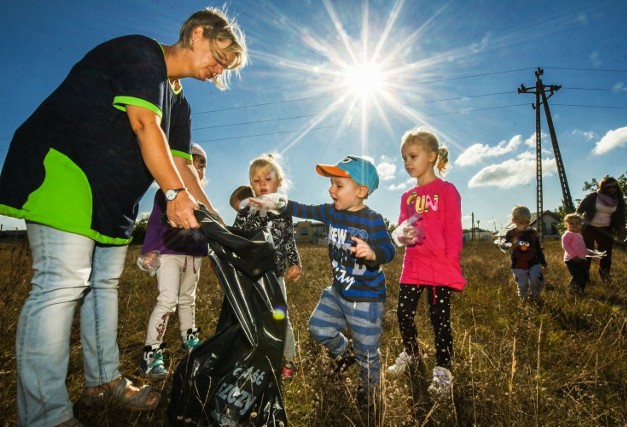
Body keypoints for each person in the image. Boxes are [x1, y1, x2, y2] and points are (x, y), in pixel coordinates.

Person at [0, 8, 247, 426]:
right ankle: (44, 415)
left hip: (112, 199)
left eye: (225, 68)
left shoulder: (181, 103)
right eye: (219, 58)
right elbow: (144, 125)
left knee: (103, 287)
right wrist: (173, 194)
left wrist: (215, 221)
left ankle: (101, 384)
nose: (217, 71)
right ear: (198, 33)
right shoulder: (141, 54)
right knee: (60, 286)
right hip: (64, 171)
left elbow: (184, 165)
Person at [255, 155, 395, 406]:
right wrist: (278, 201)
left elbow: (389, 249)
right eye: (331, 184)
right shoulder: (331, 212)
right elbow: (303, 209)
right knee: (318, 328)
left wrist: (374, 254)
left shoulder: (373, 219)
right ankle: (345, 351)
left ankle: (370, 391)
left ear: (361, 191)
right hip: (338, 293)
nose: (331, 190)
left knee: (369, 353)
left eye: (338, 185)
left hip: (366, 300)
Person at [386, 129, 466, 399]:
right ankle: (411, 353)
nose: (407, 162)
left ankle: (443, 370)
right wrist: (401, 234)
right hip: (413, 263)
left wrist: (451, 263)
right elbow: (402, 228)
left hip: (439, 266)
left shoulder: (446, 190)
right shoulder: (407, 196)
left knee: (440, 320)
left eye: (413, 156)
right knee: (403, 313)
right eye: (404, 158)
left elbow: (454, 230)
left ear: (431, 156)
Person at [138, 143, 210, 380]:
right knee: (167, 299)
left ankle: (189, 339)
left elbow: (207, 230)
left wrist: (209, 252)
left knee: (188, 298)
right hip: (169, 253)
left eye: (201, 165)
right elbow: (154, 224)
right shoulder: (166, 194)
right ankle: (151, 352)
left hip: (193, 256)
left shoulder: (200, 200)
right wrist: (149, 250)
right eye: (191, 164)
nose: (197, 169)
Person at [233, 154, 302, 378]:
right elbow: (237, 238)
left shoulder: (284, 210)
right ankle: (255, 356)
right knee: (251, 316)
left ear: (279, 181)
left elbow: (289, 240)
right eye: (256, 180)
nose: (262, 183)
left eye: (267, 178)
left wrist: (295, 262)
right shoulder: (246, 210)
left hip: (275, 276)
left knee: (280, 317)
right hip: (250, 276)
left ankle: (289, 359)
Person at [577, 176, 626, 282]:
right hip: (589, 227)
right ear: (603, 187)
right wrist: (575, 225)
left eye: (614, 187)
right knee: (586, 252)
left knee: (606, 254)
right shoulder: (594, 196)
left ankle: (605, 276)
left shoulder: (618, 199)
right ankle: (584, 277)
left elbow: (621, 216)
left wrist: (622, 232)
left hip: (606, 229)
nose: (612, 189)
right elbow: (579, 210)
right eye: (609, 187)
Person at [499, 205, 547, 304]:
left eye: (527, 222)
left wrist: (542, 261)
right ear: (513, 221)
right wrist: (503, 244)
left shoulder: (532, 233)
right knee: (523, 284)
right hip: (518, 265)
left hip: (533, 262)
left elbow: (538, 248)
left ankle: (535, 297)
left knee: (535, 278)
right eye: (521, 222)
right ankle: (524, 300)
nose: (525, 224)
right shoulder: (510, 233)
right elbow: (504, 244)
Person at [561, 213, 591, 294]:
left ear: (580, 224)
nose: (574, 225)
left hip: (581, 259)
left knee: (584, 276)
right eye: (571, 223)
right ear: (566, 224)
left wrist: (591, 253)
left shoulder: (579, 235)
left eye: (577, 223)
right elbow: (565, 246)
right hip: (571, 259)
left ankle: (580, 291)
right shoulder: (567, 234)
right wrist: (573, 256)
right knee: (577, 275)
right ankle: (571, 290)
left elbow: (582, 247)